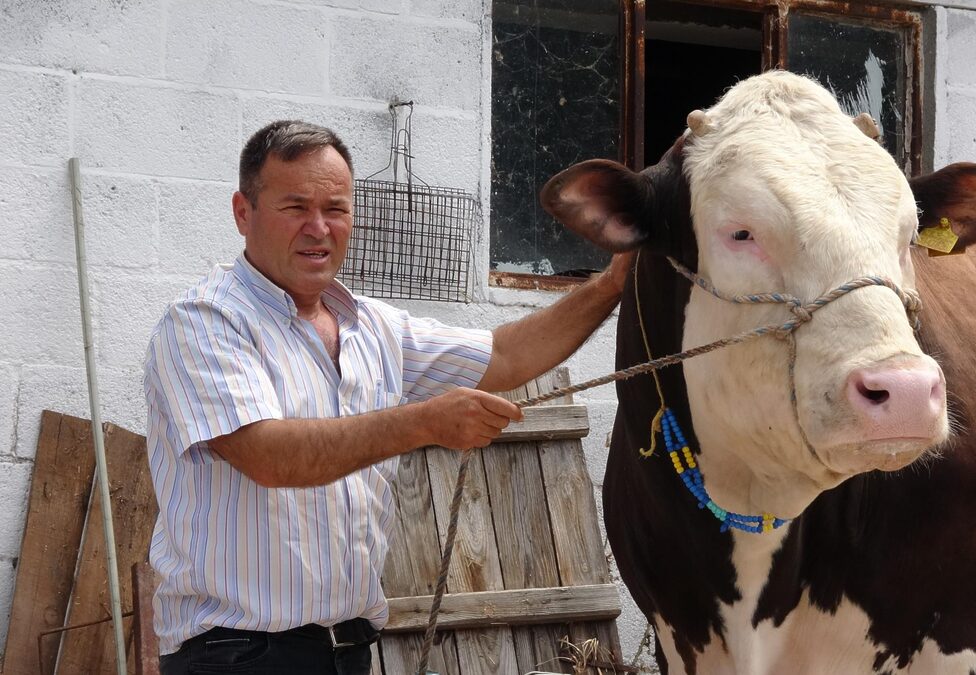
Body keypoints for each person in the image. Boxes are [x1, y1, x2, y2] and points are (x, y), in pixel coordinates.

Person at [144, 120, 630, 675]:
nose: (318, 228)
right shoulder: (206, 321)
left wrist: (611, 284)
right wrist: (423, 423)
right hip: (235, 656)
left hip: (347, 651)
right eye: (295, 207)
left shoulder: (373, 327)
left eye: (336, 208)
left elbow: (506, 356)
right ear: (242, 212)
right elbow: (270, 456)